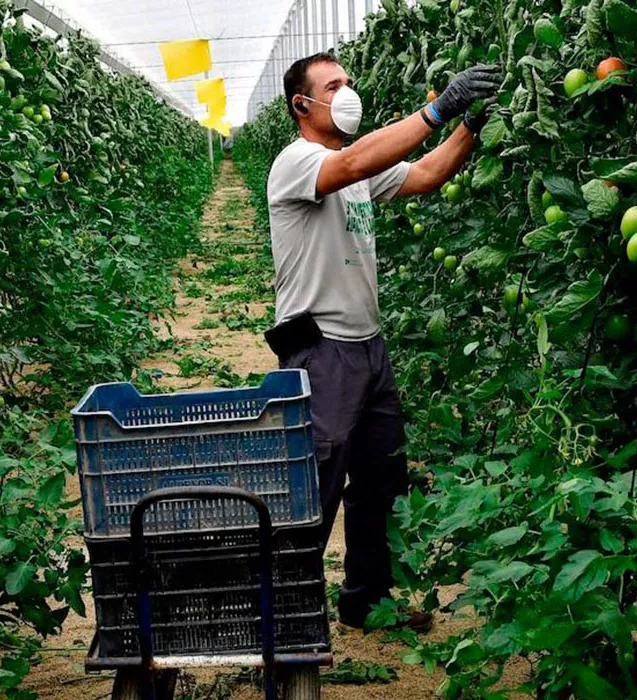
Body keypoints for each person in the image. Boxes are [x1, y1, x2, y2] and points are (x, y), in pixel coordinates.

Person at [264, 53, 500, 631]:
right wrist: (437, 108)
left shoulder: (361, 165)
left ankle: (367, 599)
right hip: (320, 351)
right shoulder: (299, 162)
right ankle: (284, 611)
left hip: (369, 348)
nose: (347, 92)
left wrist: (469, 126)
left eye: (348, 81)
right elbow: (348, 165)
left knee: (379, 480)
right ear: (303, 104)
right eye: (333, 86)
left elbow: (424, 175)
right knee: (313, 485)